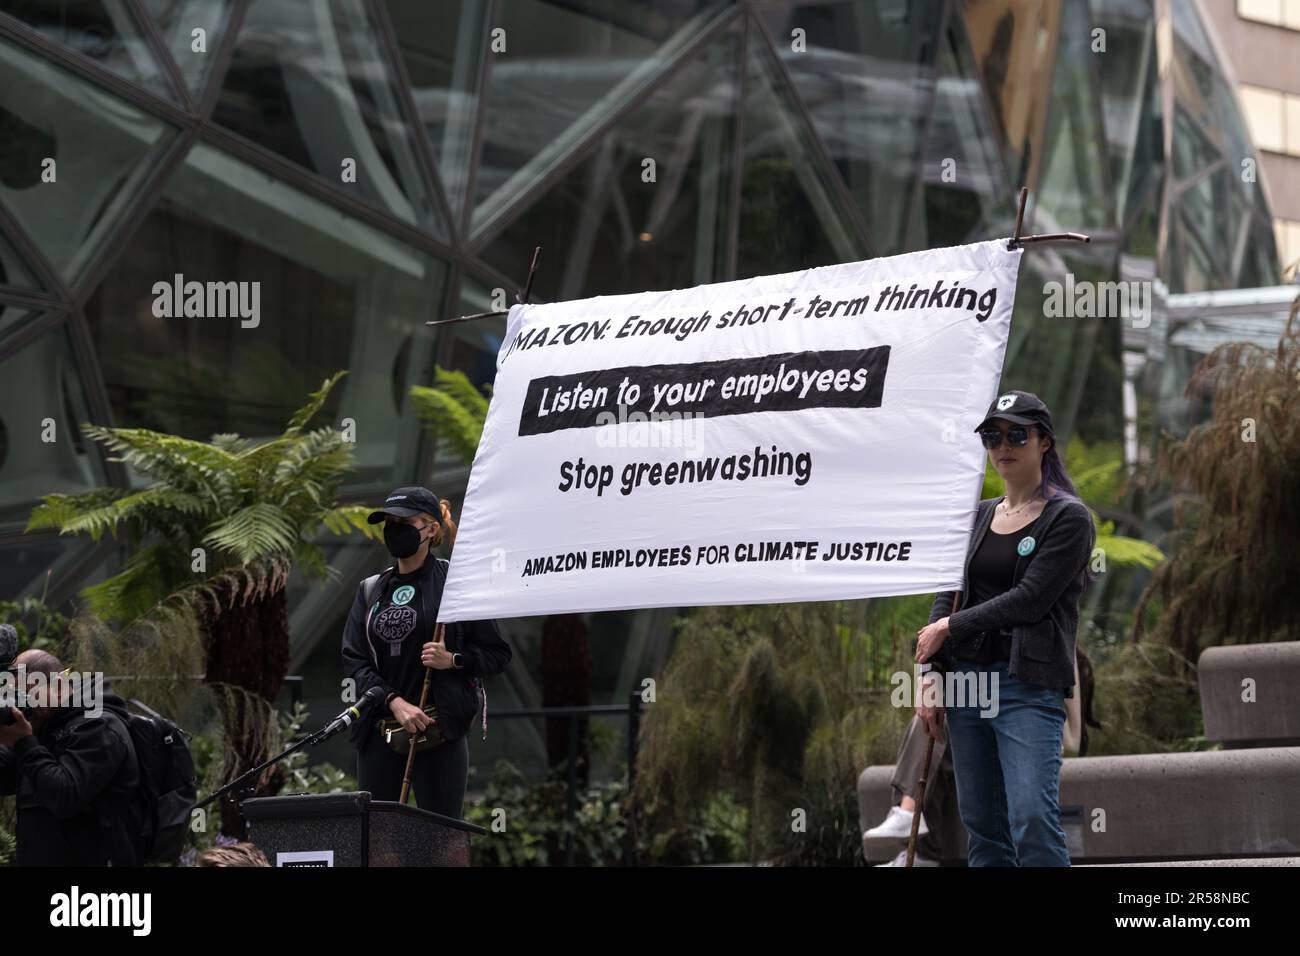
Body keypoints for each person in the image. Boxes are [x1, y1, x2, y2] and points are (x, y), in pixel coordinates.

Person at [914, 390, 1097, 867]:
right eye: (992, 435)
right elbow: (946, 594)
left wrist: (951, 628)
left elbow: (1031, 600)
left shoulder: (1069, 519)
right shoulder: (975, 517)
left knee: (1033, 819)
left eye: (1018, 433)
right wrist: (930, 674)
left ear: (1045, 444)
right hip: (969, 686)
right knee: (984, 830)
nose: (1003, 445)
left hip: (1028, 685)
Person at [341, 486, 511, 819]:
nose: (394, 529)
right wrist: (395, 701)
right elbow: (354, 660)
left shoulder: (456, 583)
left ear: (431, 528)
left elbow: (497, 654)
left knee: (441, 837)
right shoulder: (371, 589)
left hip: (439, 732)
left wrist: (453, 660)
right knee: (376, 839)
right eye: (388, 522)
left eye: (404, 522)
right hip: (380, 732)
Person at [0, 649, 143, 866]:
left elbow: (64, 796)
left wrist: (24, 743)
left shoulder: (99, 727)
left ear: (58, 686)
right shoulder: (43, 729)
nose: (21, 705)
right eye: (15, 697)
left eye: (25, 695)